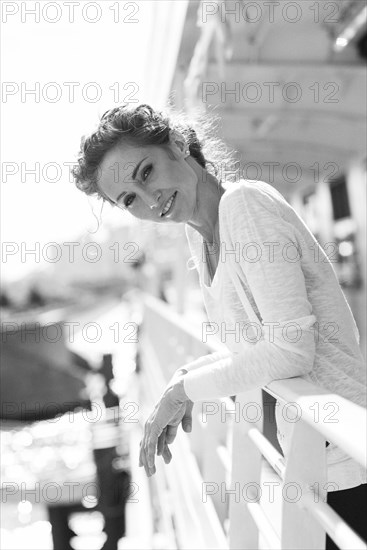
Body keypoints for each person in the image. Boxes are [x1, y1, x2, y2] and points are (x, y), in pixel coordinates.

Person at [72, 103, 367, 546]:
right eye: (128, 199)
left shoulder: (244, 205)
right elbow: (255, 347)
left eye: (146, 172)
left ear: (175, 143)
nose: (149, 200)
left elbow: (291, 349)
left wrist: (184, 391)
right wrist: (186, 376)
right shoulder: (202, 234)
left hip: (344, 457)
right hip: (313, 457)